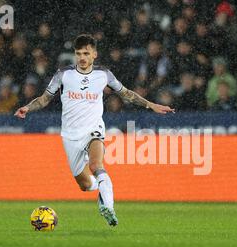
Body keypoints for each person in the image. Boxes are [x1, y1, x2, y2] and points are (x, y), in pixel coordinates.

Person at [14, 34, 174, 227]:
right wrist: (27, 108)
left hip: (94, 129)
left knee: (96, 165)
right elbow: (44, 98)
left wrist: (151, 105)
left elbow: (126, 94)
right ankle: (101, 192)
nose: (82, 57)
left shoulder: (104, 74)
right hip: (70, 135)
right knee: (84, 185)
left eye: (86, 53)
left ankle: (109, 207)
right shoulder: (63, 74)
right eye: (78, 53)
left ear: (94, 55)